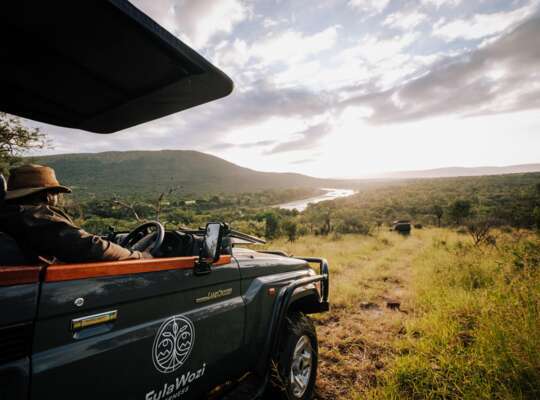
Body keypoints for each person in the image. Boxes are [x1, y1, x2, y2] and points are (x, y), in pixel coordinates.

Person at [0, 164, 149, 264]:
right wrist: (139, 256)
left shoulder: (11, 214)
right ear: (48, 196)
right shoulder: (32, 215)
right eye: (56, 193)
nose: (57, 198)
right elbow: (90, 247)